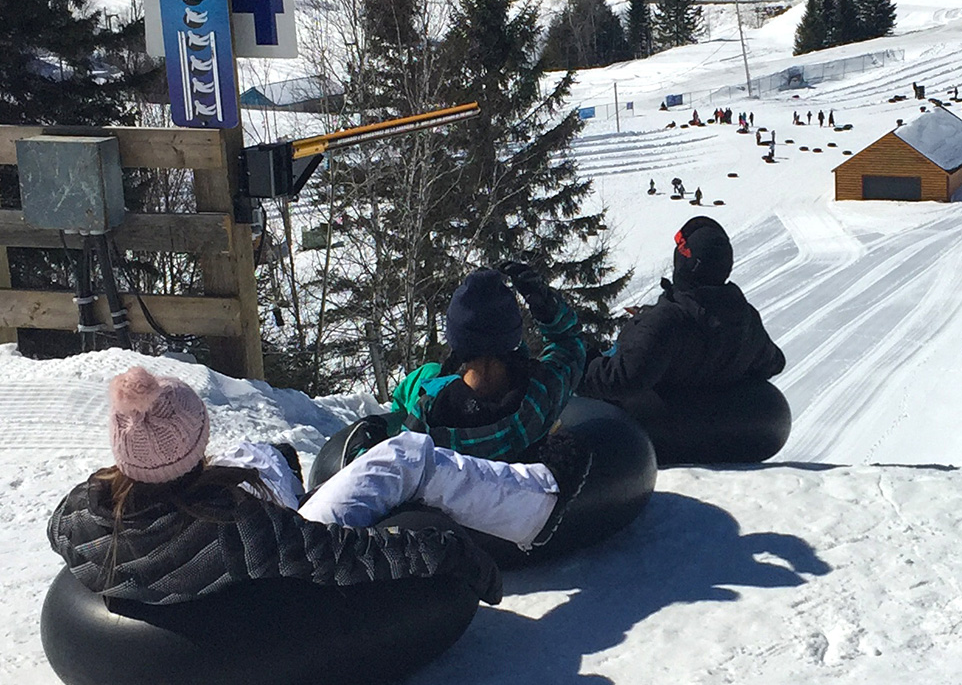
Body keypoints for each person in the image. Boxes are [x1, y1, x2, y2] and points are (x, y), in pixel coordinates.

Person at [48, 367, 588, 606]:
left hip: (207, 527)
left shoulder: (77, 516)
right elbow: (347, 555)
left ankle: (277, 464)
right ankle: (539, 502)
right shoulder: (242, 531)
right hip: (270, 563)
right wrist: (448, 551)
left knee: (258, 457)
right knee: (406, 456)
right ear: (192, 448)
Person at [389, 264, 585, 461]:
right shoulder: (539, 394)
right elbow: (570, 345)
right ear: (512, 336)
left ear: (456, 342)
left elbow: (401, 471)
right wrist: (546, 306)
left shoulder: (430, 415)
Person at [581, 217, 785, 405]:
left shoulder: (669, 323)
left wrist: (575, 364)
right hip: (709, 429)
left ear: (684, 263)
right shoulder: (743, 317)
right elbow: (774, 362)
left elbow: (620, 379)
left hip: (655, 433)